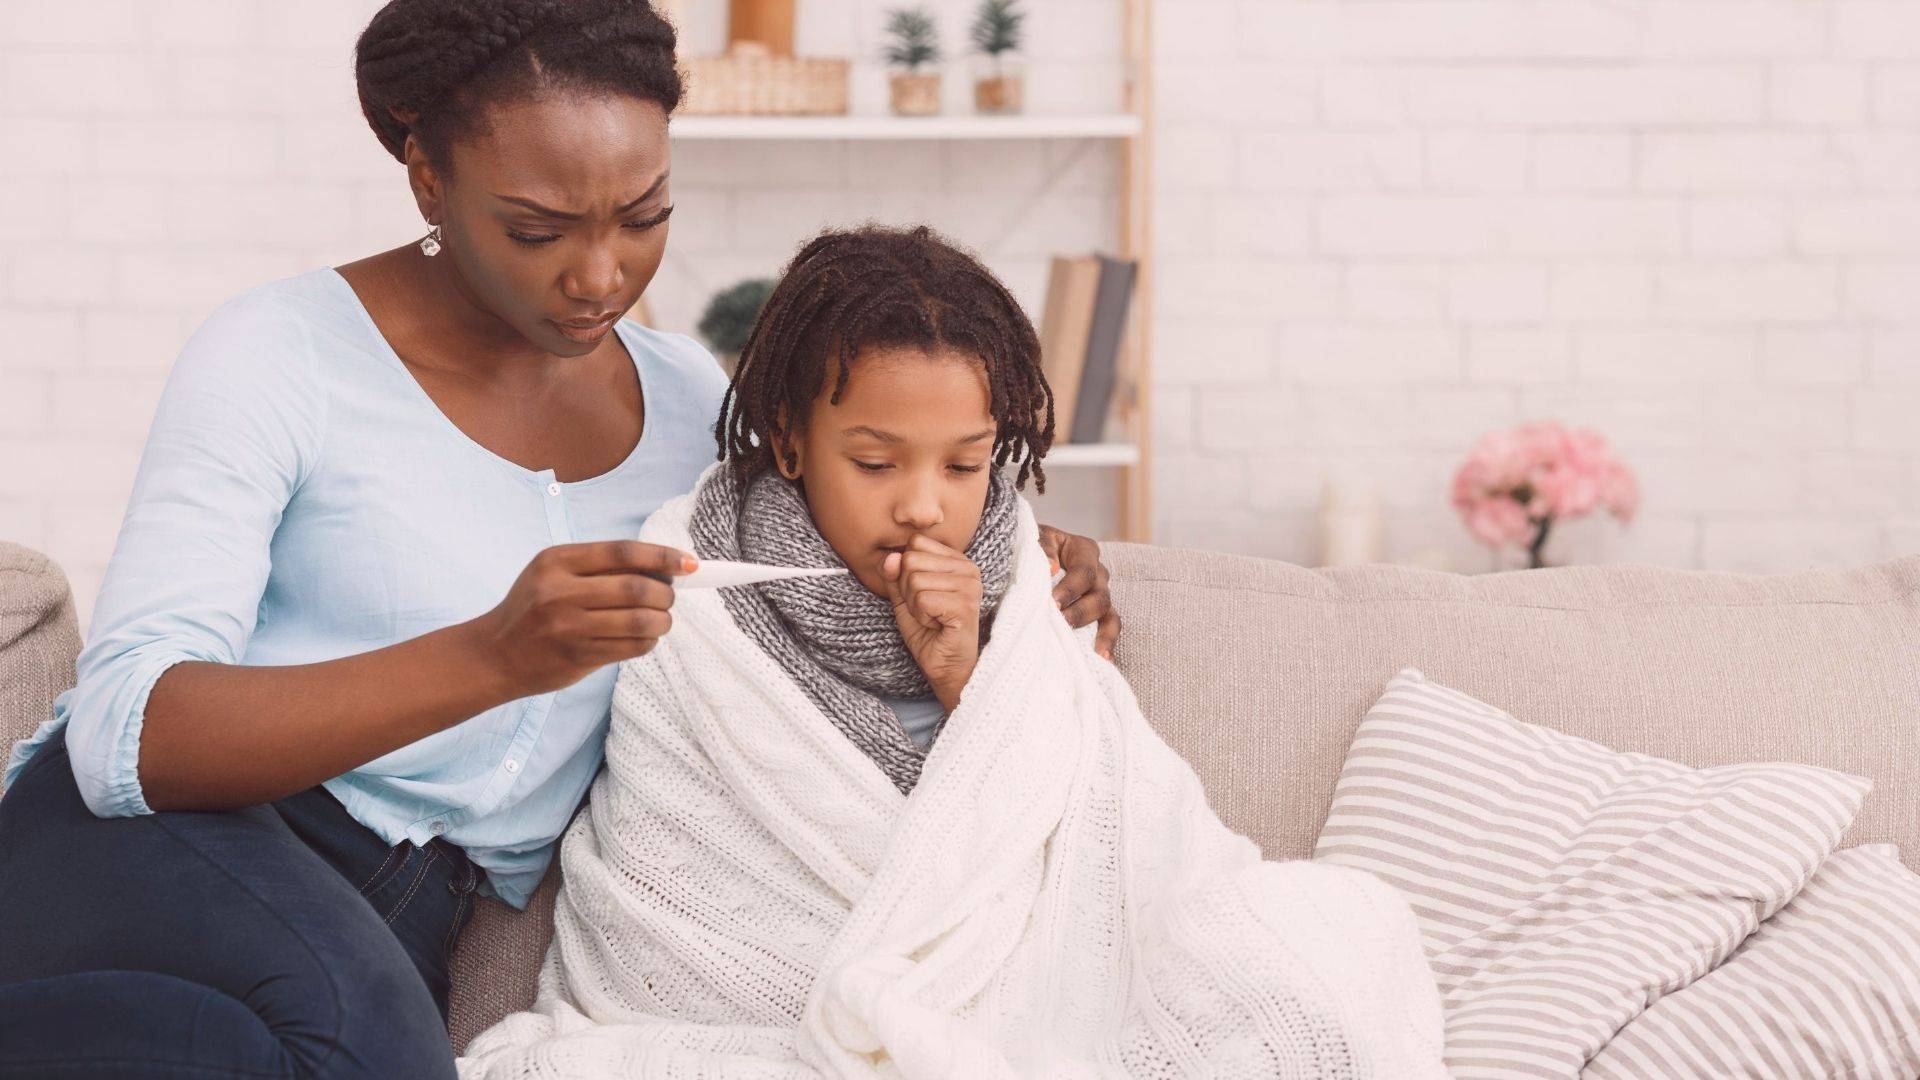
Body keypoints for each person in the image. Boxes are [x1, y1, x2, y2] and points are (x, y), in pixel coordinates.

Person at [0, 3, 1117, 1077]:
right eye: (537, 229)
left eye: (644, 217)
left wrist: (1020, 562)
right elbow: (124, 737)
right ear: (428, 179)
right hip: (175, 840)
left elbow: (841, 528)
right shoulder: (278, 355)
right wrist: (490, 656)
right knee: (363, 1053)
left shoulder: (690, 402)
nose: (600, 276)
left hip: (407, 902)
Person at [458, 223, 1448, 1079]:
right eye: (876, 462)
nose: (926, 502)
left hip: (1023, 988)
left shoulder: (1029, 583)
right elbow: (678, 883)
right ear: (792, 440)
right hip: (774, 1017)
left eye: (965, 463)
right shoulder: (696, 602)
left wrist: (967, 672)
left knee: (1339, 942)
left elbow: (1112, 831)